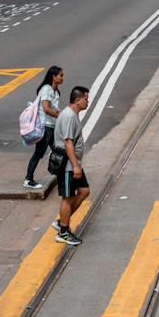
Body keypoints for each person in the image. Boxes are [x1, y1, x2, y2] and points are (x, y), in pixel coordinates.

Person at [53, 86, 91, 245]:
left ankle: (62, 221)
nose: (87, 101)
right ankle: (63, 231)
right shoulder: (69, 116)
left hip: (74, 163)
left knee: (84, 191)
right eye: (85, 99)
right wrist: (75, 166)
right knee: (67, 197)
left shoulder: (71, 114)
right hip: (68, 164)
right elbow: (68, 143)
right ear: (77, 100)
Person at [21, 67, 65, 190]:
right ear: (54, 77)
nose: (62, 78)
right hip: (44, 127)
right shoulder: (46, 89)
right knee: (39, 153)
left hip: (51, 126)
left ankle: (62, 175)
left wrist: (60, 113)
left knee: (58, 150)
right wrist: (59, 116)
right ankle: (28, 179)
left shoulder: (55, 92)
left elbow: (54, 108)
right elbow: (46, 109)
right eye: (61, 75)